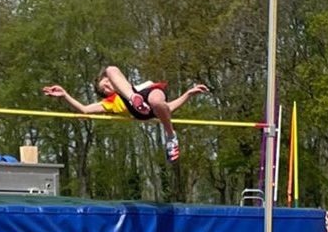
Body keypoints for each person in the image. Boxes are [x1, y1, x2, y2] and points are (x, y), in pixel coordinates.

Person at [42, 65, 209, 163]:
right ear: (105, 94)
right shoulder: (111, 103)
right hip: (136, 106)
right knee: (111, 71)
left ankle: (170, 135)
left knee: (113, 70)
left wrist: (188, 94)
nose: (108, 85)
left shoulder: (139, 86)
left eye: (107, 82)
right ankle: (133, 98)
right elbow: (84, 110)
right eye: (104, 88)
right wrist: (65, 95)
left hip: (146, 95)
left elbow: (168, 109)